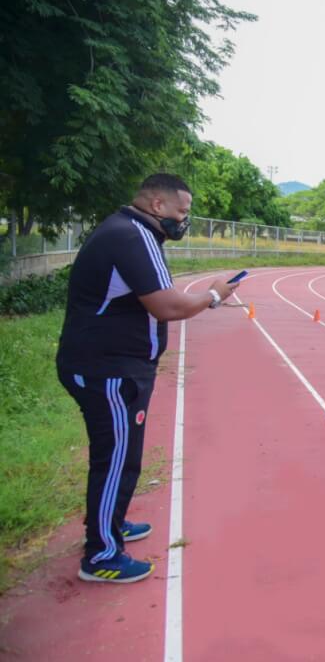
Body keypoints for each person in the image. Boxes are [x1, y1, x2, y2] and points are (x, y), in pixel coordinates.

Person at [56, 174, 239, 583]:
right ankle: (102, 553)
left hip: (107, 365)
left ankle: (111, 524)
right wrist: (214, 295)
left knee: (120, 457)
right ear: (158, 205)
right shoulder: (133, 235)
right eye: (182, 211)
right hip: (109, 370)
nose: (184, 219)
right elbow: (168, 306)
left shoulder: (125, 230)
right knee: (117, 461)